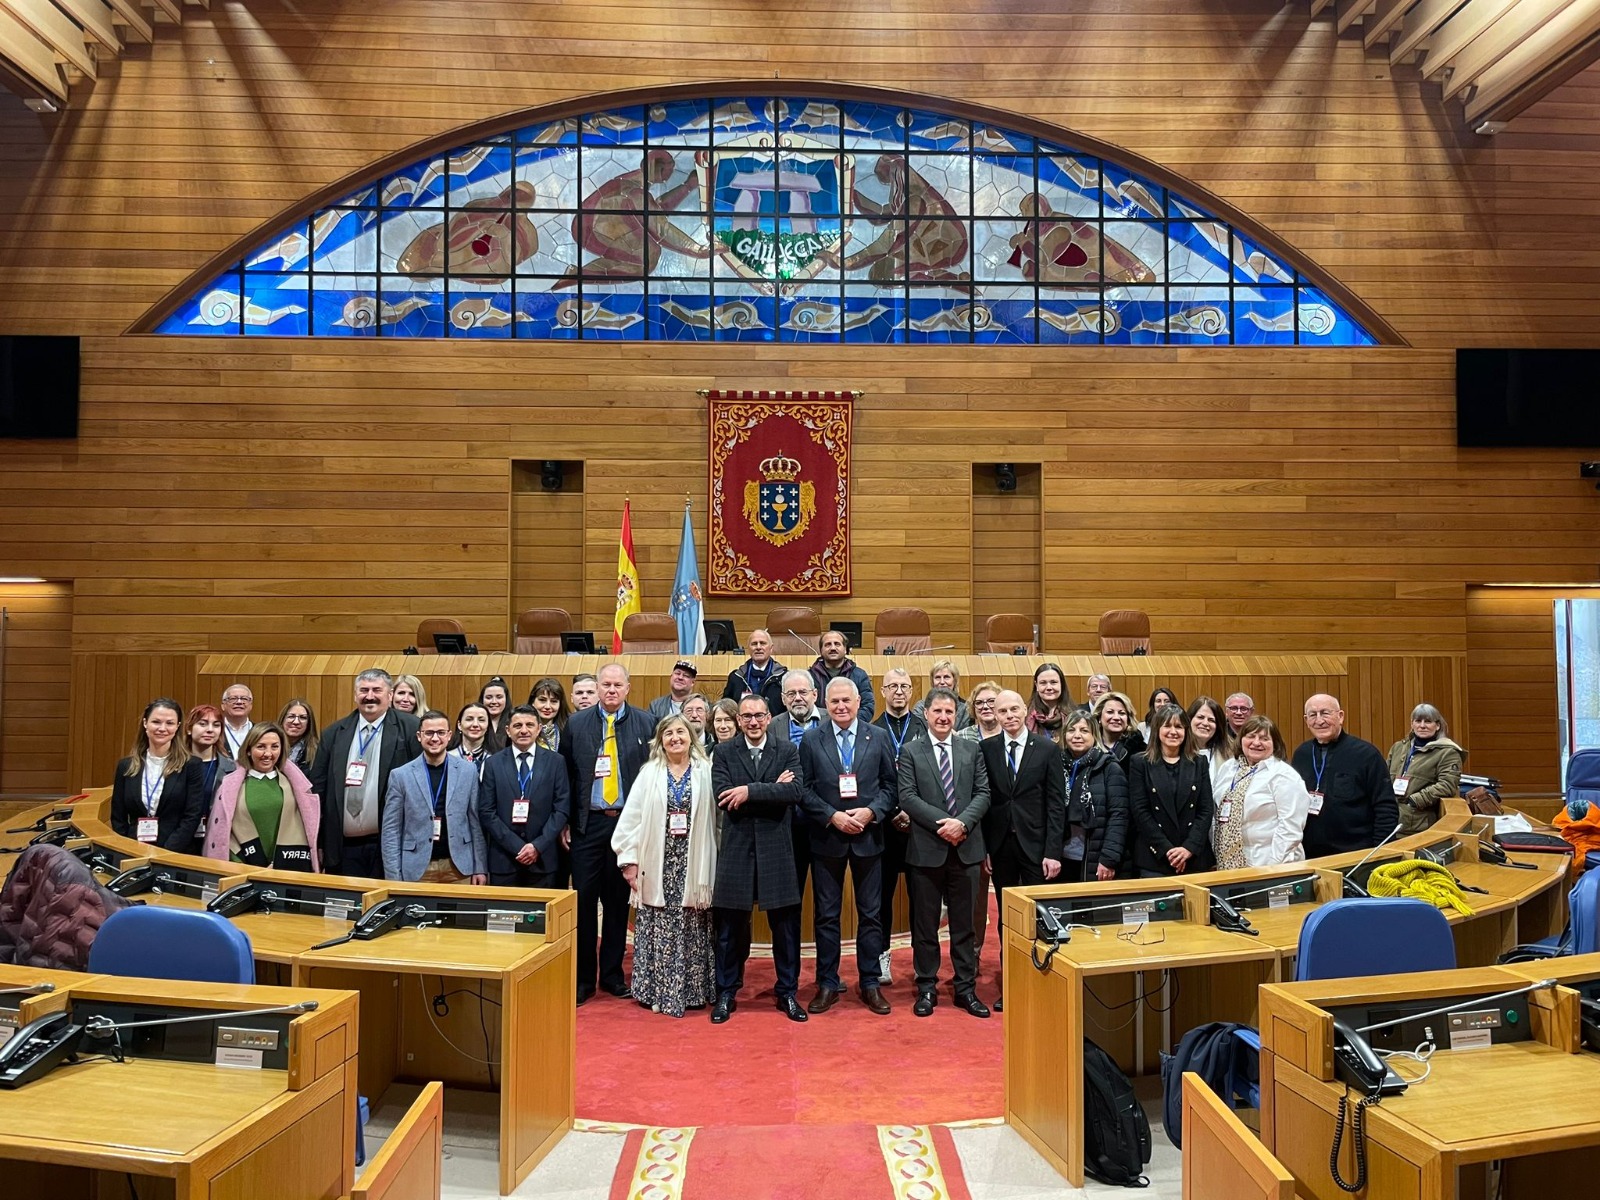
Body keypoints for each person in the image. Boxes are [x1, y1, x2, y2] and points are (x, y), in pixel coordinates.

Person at [799, 677, 897, 1015]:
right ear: (825, 704)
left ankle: (870, 982)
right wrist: (832, 816)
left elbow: (890, 786)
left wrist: (871, 812)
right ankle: (827, 982)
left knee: (871, 914)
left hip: (869, 838)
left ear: (858, 703)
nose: (841, 706)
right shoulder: (812, 739)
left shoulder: (878, 736)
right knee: (827, 915)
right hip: (828, 838)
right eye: (834, 701)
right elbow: (804, 789)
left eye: (846, 700)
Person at [561, 663, 657, 1004]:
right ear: (597, 688)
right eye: (606, 684)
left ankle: (613, 975)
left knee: (617, 904)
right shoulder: (576, 724)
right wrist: (567, 821)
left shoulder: (646, 723)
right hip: (588, 825)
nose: (611, 690)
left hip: (627, 826)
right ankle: (584, 979)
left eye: (618, 684)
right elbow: (566, 776)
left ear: (628, 688)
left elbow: (653, 777)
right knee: (584, 904)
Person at [709, 694, 807, 1023]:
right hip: (736, 850)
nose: (753, 721)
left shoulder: (787, 750)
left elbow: (794, 792)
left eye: (759, 716)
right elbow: (724, 796)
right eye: (747, 716)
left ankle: (788, 992)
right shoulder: (724, 752)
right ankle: (726, 992)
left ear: (768, 718)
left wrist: (749, 791)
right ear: (739, 721)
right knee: (729, 930)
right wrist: (770, 788)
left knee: (786, 928)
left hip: (777, 850)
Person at [612, 715, 717, 1017]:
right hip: (657, 862)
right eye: (668, 733)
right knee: (658, 923)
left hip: (693, 862)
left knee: (692, 924)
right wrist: (629, 861)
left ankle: (692, 992)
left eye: (681, 732)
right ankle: (656, 991)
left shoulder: (706, 771)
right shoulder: (650, 773)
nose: (675, 738)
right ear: (660, 740)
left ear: (691, 737)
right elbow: (631, 820)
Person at [897, 688, 991, 1017]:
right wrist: (945, 825)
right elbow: (907, 797)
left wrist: (961, 824)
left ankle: (965, 988)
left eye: (949, 712)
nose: (943, 717)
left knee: (964, 926)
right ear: (926, 714)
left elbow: (983, 793)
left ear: (956, 715)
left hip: (966, 848)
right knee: (925, 925)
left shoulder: (971, 749)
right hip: (927, 850)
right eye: (937, 711)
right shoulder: (911, 751)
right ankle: (926, 987)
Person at [980, 689, 1064, 1011]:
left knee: (1038, 917)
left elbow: (1055, 803)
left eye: (1014, 709)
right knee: (1007, 918)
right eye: (1002, 711)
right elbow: (985, 802)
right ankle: (1012, 983)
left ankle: (1040, 980)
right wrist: (986, 848)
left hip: (1037, 848)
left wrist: (1052, 851)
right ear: (996, 715)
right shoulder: (986, 749)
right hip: (1001, 847)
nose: (1009, 716)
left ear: (1024, 711)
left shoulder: (1046, 748)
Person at [310, 668, 422, 877]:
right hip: (342, 848)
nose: (369, 696)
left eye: (377, 690)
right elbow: (318, 790)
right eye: (364, 690)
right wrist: (319, 841)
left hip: (390, 846)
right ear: (355, 695)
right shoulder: (334, 733)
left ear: (390, 695)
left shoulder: (411, 728)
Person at [383, 709, 489, 884]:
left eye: (440, 732)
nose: (434, 738)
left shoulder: (468, 771)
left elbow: (475, 823)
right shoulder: (400, 775)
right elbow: (391, 830)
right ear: (419, 736)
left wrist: (480, 867)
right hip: (417, 869)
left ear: (449, 735)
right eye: (429, 733)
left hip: (459, 868)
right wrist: (393, 877)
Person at [1293, 693, 1399, 857]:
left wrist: (1379, 854)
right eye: (1313, 715)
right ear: (1306, 720)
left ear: (1340, 716)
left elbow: (1385, 807)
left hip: (1356, 854)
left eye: (1325, 713)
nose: (1319, 720)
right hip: (1309, 855)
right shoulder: (1302, 754)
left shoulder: (1366, 755)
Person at [874, 666, 928, 985]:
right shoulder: (872, 730)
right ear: (882, 691)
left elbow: (932, 778)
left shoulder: (924, 728)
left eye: (904, 686)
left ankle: (923, 959)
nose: (898, 691)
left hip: (919, 828)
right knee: (881, 898)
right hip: (884, 827)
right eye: (892, 686)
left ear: (911, 691)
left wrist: (911, 811)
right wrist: (894, 809)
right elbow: (872, 780)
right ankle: (882, 956)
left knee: (921, 898)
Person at [203, 722, 319, 870]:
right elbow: (221, 833)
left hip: (288, 868)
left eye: (274, 747)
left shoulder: (296, 784)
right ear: (249, 750)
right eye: (261, 747)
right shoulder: (229, 787)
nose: (268, 754)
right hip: (241, 868)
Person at [479, 705, 569, 887]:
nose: (524, 730)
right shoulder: (493, 764)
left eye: (529, 725)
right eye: (517, 725)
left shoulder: (556, 762)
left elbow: (561, 809)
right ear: (508, 730)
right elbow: (487, 811)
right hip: (504, 860)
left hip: (543, 860)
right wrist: (518, 847)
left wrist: (537, 846)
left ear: (539, 728)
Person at [1127, 704, 1215, 877]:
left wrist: (1188, 848)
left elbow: (1205, 810)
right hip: (1155, 857)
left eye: (1179, 727)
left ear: (1186, 731)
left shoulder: (1199, 762)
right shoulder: (1140, 762)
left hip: (1193, 857)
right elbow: (1140, 811)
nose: (1173, 732)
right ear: (1157, 730)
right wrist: (1166, 849)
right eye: (1167, 726)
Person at [1211, 716, 1309, 869]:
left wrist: (1272, 868)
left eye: (1264, 738)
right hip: (1227, 864)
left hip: (1269, 864)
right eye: (1251, 736)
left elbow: (1290, 828)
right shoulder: (1228, 768)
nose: (1256, 743)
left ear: (1275, 744)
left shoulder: (1283, 775)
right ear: (1241, 739)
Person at [111, 697, 204, 850]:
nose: (162, 728)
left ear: (177, 727)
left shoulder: (191, 765)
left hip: (175, 851)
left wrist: (167, 851)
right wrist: (129, 847)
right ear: (145, 723)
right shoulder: (126, 766)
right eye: (156, 722)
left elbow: (192, 815)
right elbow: (118, 816)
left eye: (170, 723)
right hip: (133, 849)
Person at [1058, 709, 1130, 882]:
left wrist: (1108, 858)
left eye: (1084, 731)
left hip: (1095, 857)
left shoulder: (1109, 767)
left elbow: (1119, 815)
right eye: (1071, 730)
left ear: (1094, 735)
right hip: (1061, 857)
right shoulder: (1056, 765)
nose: (1077, 735)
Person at [772, 669, 824, 897]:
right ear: (783, 698)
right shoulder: (773, 726)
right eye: (791, 694)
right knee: (790, 896)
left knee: (827, 897)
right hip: (789, 823)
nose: (798, 698)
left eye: (803, 692)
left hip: (826, 822)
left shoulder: (832, 720)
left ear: (815, 694)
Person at [1387, 703, 1464, 835]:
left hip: (1418, 823)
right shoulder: (1398, 747)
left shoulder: (1448, 752)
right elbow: (1383, 777)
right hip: (1389, 818)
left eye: (1428, 721)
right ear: (1412, 724)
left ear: (1437, 726)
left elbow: (1447, 785)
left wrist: (1415, 801)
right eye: (1418, 721)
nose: (1422, 726)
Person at [184, 703, 235, 845]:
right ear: (189, 729)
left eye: (216, 725)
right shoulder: (174, 765)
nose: (210, 730)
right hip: (179, 837)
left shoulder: (231, 768)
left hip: (215, 837)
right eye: (203, 724)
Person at [809, 630, 876, 721]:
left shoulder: (859, 675)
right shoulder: (810, 676)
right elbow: (807, 706)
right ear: (821, 650)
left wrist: (848, 723)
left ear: (845, 649)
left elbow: (868, 706)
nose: (833, 648)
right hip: (819, 727)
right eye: (828, 644)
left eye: (837, 644)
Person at [721, 627, 786, 714]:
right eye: (754, 644)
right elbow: (726, 707)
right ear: (748, 648)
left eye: (762, 643)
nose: (758, 647)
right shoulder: (736, 677)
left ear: (771, 648)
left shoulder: (783, 677)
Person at [1092, 691, 1147, 765]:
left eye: (1122, 713)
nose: (1116, 717)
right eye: (1110, 712)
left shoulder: (1140, 749)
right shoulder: (1089, 745)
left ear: (1128, 719)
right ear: (1099, 717)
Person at [912, 659, 970, 728]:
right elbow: (917, 732)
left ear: (954, 681)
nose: (942, 682)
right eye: (938, 677)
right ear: (932, 682)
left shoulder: (965, 708)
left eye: (946, 677)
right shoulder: (921, 707)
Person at [1187, 695, 1235, 772]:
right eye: (1200, 717)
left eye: (1211, 720)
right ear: (1189, 719)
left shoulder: (1230, 753)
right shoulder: (1177, 750)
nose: (1205, 723)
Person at [1026, 662, 1072, 737]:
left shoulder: (1074, 716)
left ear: (1061, 684)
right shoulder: (1026, 716)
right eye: (1043, 683)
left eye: (1053, 682)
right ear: (1036, 685)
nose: (1049, 688)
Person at [448, 701, 493, 771]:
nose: (475, 724)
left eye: (481, 720)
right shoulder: (448, 757)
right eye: (469, 719)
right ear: (459, 725)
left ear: (488, 726)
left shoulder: (496, 758)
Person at [529, 678, 569, 752]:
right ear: (532, 702)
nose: (547, 706)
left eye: (554, 701)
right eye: (542, 700)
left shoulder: (569, 729)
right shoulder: (524, 729)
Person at [279, 698, 320, 769]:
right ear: (282, 719)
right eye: (291, 716)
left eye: (302, 717)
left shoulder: (318, 751)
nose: (296, 722)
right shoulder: (271, 747)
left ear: (309, 723)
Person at [220, 683, 255, 760]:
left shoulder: (259, 731)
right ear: (223, 705)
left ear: (251, 705)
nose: (239, 702)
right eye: (233, 698)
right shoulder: (216, 730)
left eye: (244, 699)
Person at [479, 676, 512, 753]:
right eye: (489, 697)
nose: (494, 701)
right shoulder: (475, 723)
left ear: (506, 700)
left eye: (499, 697)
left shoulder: (513, 723)